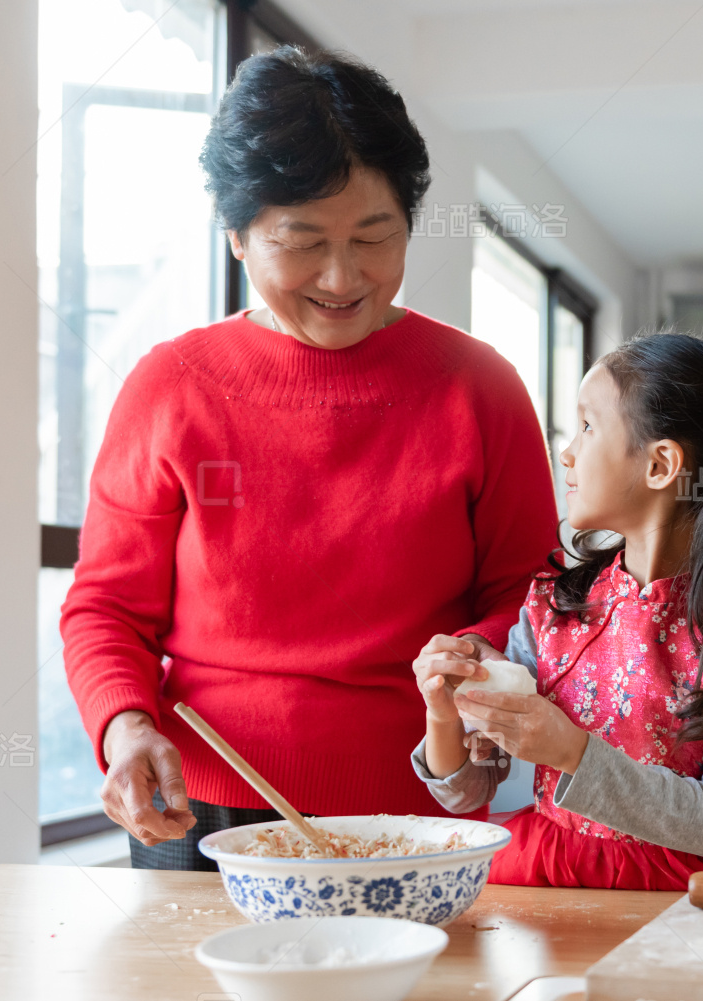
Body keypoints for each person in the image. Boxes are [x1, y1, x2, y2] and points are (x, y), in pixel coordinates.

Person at [60, 46, 557, 869]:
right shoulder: (171, 388)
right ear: (237, 236)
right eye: (303, 241)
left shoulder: (480, 390)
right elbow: (107, 606)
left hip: (410, 815)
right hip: (203, 811)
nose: (343, 276)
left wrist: (468, 663)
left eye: (375, 237)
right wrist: (125, 726)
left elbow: (528, 596)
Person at [410, 333, 703, 891]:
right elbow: (467, 793)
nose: (566, 451)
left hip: (688, 894)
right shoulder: (553, 606)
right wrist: (443, 712)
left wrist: (571, 751)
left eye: (587, 425)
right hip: (550, 878)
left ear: (660, 464)